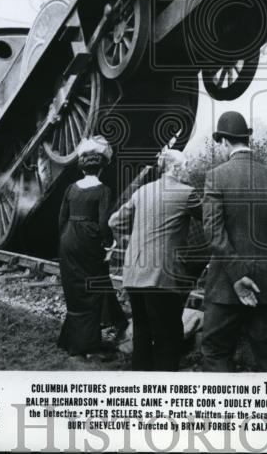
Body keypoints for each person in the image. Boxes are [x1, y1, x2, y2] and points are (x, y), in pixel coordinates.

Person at [201, 111, 267, 372]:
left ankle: (225, 411)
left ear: (224, 141)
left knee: (216, 353)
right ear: (247, 139)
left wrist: (237, 275)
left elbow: (213, 233)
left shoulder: (216, 176)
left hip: (226, 284)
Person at [109, 148, 202, 371]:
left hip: (133, 273)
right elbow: (212, 219)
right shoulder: (186, 193)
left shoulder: (143, 191)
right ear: (176, 167)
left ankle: (141, 384)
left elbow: (114, 222)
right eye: (186, 165)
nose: (188, 169)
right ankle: (164, 388)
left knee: (142, 331)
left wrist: (134, 237)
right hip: (161, 276)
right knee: (168, 336)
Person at [57, 136, 127, 356]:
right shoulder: (103, 190)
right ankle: (87, 345)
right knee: (92, 289)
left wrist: (67, 237)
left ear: (82, 167)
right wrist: (108, 245)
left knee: (74, 289)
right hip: (89, 241)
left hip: (68, 239)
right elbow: (104, 224)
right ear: (101, 168)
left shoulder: (70, 189)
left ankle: (71, 339)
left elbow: (61, 219)